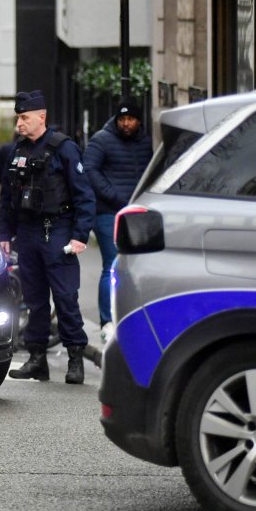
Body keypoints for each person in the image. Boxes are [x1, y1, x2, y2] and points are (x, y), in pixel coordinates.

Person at [0, 90, 96, 385]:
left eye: (24, 118)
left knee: (65, 297)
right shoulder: (16, 151)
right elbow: (6, 196)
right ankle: (37, 358)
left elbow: (84, 195)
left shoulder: (63, 148)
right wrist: (4, 233)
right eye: (18, 118)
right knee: (35, 300)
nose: (19, 124)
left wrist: (80, 235)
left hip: (58, 230)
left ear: (42, 116)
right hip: (27, 233)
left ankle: (75, 357)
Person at [82, 98, 153, 344]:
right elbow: (89, 170)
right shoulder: (102, 140)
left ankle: (129, 318)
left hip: (137, 212)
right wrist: (116, 197)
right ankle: (107, 322)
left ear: (139, 120)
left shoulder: (145, 143)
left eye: (130, 119)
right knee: (112, 265)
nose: (126, 123)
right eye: (122, 119)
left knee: (138, 268)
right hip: (108, 213)